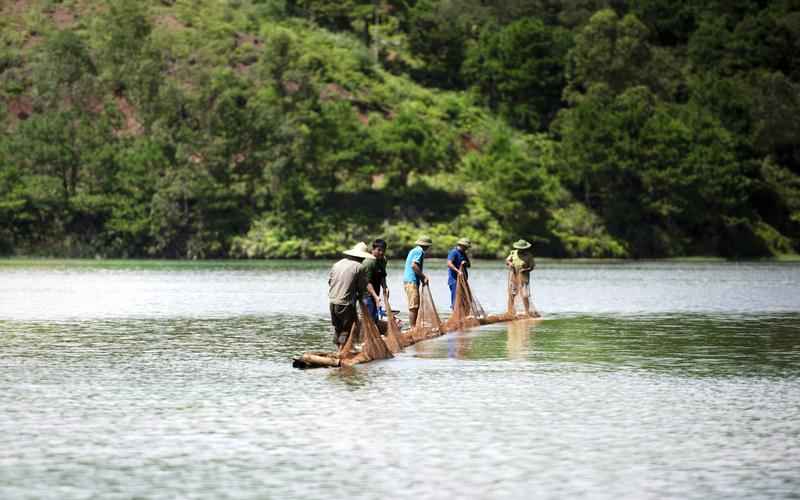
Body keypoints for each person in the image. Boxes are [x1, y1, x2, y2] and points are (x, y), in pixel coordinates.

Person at [328, 242, 371, 348]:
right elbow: (362, 288)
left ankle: (339, 350)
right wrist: (361, 297)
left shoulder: (337, 264)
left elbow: (330, 282)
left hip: (333, 302)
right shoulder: (359, 267)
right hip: (345, 304)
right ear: (362, 257)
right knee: (347, 329)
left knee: (338, 328)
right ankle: (343, 352)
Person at [505, 239, 539, 317]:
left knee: (525, 295)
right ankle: (510, 312)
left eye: (523, 249)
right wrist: (510, 264)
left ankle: (527, 312)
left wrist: (525, 270)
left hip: (524, 278)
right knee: (512, 294)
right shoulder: (513, 253)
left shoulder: (529, 256)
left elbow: (532, 267)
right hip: (514, 277)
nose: (521, 250)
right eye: (520, 248)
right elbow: (507, 260)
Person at [403, 235, 431, 327]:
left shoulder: (414, 250)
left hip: (411, 281)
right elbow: (414, 266)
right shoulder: (419, 251)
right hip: (411, 281)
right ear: (426, 245)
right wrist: (423, 277)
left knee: (415, 305)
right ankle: (412, 328)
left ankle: (413, 326)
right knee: (414, 306)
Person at [361, 238, 388, 323]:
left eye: (383, 250)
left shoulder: (383, 260)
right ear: (373, 249)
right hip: (366, 294)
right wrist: (375, 296)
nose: (381, 252)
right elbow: (367, 282)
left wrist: (385, 287)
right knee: (369, 319)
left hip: (376, 292)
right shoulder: (368, 262)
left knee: (375, 319)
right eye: (379, 250)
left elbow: (382, 275)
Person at [446, 238, 471, 308]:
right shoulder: (453, 252)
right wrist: (458, 271)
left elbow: (469, 265)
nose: (467, 248)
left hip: (463, 281)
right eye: (466, 247)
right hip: (454, 280)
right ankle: (456, 316)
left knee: (465, 300)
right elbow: (449, 263)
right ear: (461, 245)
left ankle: (463, 316)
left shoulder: (464, 253)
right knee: (456, 300)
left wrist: (465, 263)